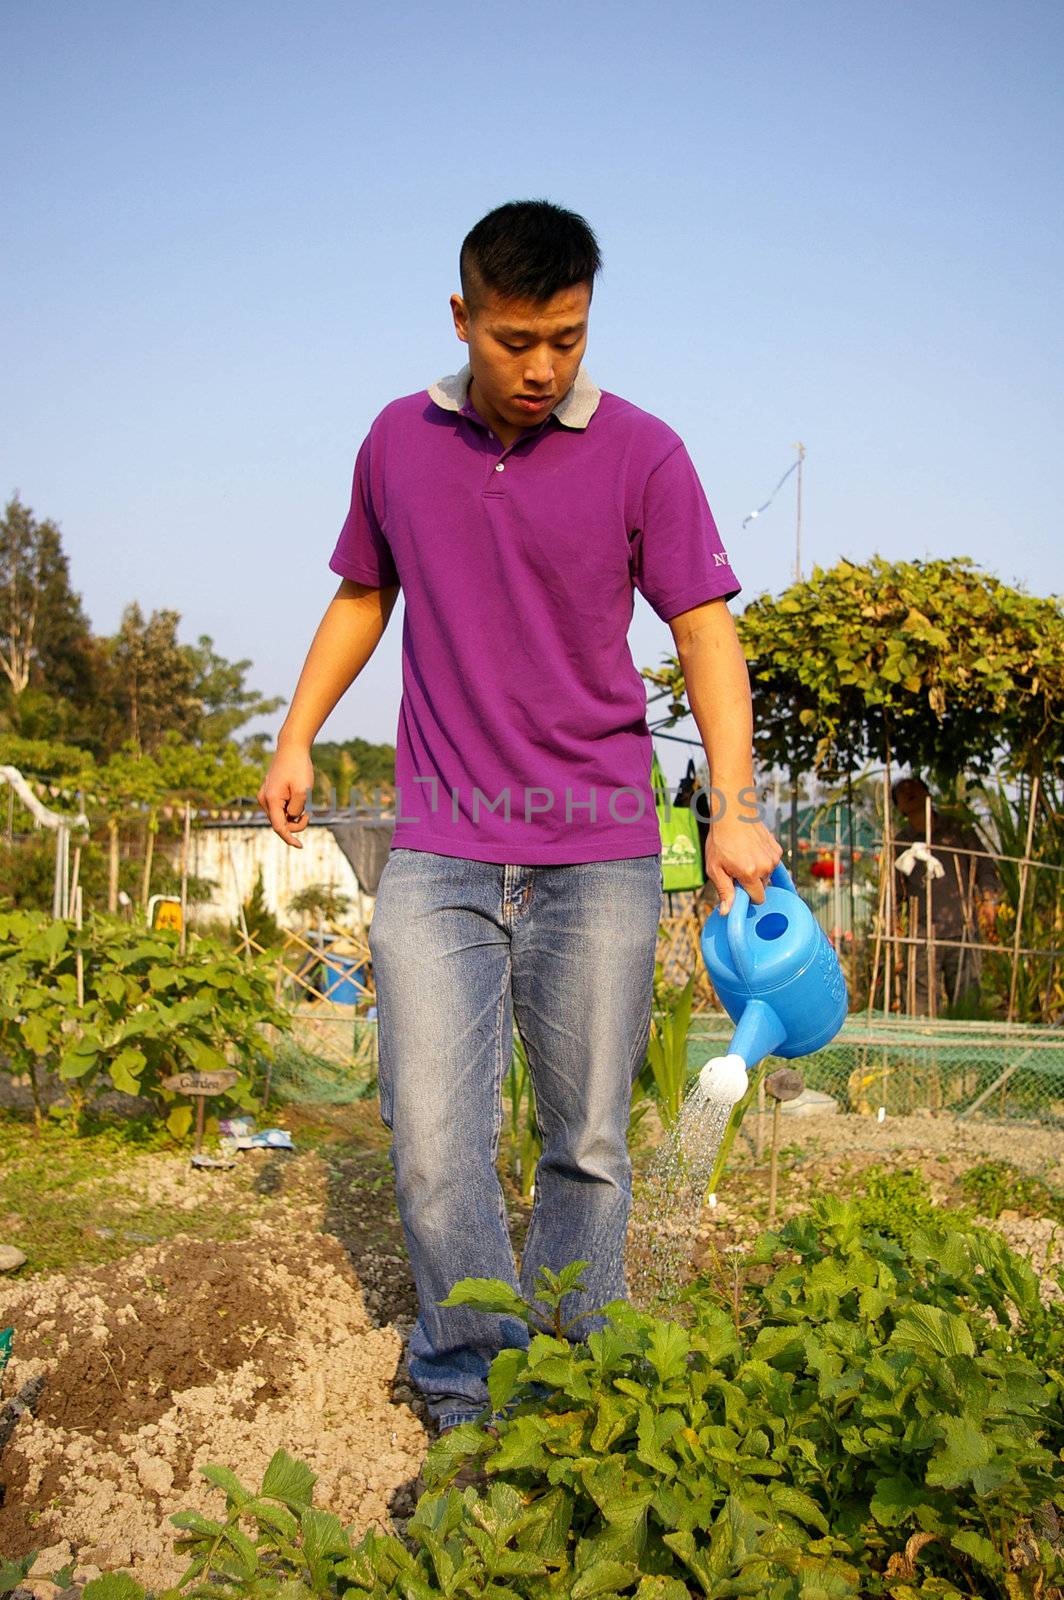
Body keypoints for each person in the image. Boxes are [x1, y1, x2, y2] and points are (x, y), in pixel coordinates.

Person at [258, 200, 781, 1434]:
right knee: (434, 1140)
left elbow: (704, 630)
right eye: (514, 339)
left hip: (595, 845)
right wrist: (291, 733)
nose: (542, 367)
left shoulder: (644, 452)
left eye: (568, 338)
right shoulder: (395, 440)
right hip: (437, 844)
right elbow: (360, 595)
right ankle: (468, 1382)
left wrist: (734, 807)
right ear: (462, 318)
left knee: (588, 1142)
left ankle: (578, 1367)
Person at [892, 775, 1001, 1015]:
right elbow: (895, 893)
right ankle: (920, 1050)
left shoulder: (957, 831)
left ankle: (969, 1050)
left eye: (914, 787)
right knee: (921, 1002)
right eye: (902, 791)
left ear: (927, 794)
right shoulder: (901, 842)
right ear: (899, 807)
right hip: (922, 933)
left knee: (967, 1001)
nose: (909, 791)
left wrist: (987, 898)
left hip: (961, 927)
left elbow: (984, 866)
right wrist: (894, 930)